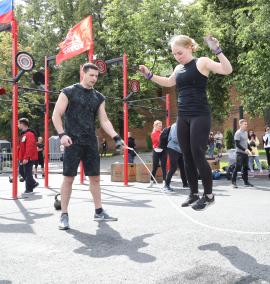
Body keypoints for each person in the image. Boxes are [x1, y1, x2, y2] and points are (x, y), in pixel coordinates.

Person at [139, 34, 232, 210]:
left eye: (179, 53)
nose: (177, 57)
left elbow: (227, 70)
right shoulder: (178, 68)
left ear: (189, 47)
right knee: (186, 155)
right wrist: (149, 75)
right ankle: (193, 193)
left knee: (197, 152)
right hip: (183, 116)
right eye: (174, 54)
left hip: (200, 114)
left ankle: (209, 195)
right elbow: (168, 82)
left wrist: (217, 50)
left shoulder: (202, 62)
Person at [52, 63, 124, 230]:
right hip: (72, 141)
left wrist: (116, 137)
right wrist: (62, 135)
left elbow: (104, 120)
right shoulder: (68, 91)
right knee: (69, 178)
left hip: (91, 142)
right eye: (91, 75)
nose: (94, 79)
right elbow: (56, 114)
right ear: (83, 73)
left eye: (96, 76)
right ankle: (64, 214)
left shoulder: (98, 97)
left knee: (95, 178)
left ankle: (99, 212)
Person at [164, 122, 188, 191]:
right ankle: (166, 185)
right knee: (173, 167)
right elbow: (175, 138)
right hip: (173, 148)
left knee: (183, 167)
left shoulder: (183, 125)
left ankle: (185, 184)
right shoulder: (175, 125)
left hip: (180, 149)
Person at [17, 118, 39, 194]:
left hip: (28, 157)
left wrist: (26, 157)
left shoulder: (29, 134)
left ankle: (29, 188)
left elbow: (29, 147)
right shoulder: (24, 134)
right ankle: (33, 184)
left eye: (19, 123)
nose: (18, 125)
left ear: (23, 124)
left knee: (27, 173)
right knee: (22, 172)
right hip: (23, 157)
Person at [231, 119, 253, 188]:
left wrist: (250, 149)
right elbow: (237, 144)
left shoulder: (246, 132)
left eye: (246, 124)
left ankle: (246, 182)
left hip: (245, 153)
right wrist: (245, 149)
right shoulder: (237, 133)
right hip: (239, 153)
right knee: (238, 167)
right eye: (245, 124)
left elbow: (246, 143)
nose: (246, 125)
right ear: (240, 124)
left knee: (245, 167)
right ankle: (233, 182)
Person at [149, 120, 167, 188]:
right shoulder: (153, 133)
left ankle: (165, 182)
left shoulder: (162, 132)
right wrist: (164, 135)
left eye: (161, 126)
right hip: (156, 151)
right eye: (159, 126)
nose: (160, 127)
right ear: (155, 126)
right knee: (154, 167)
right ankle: (151, 182)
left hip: (163, 151)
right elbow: (159, 141)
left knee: (164, 166)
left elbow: (165, 141)